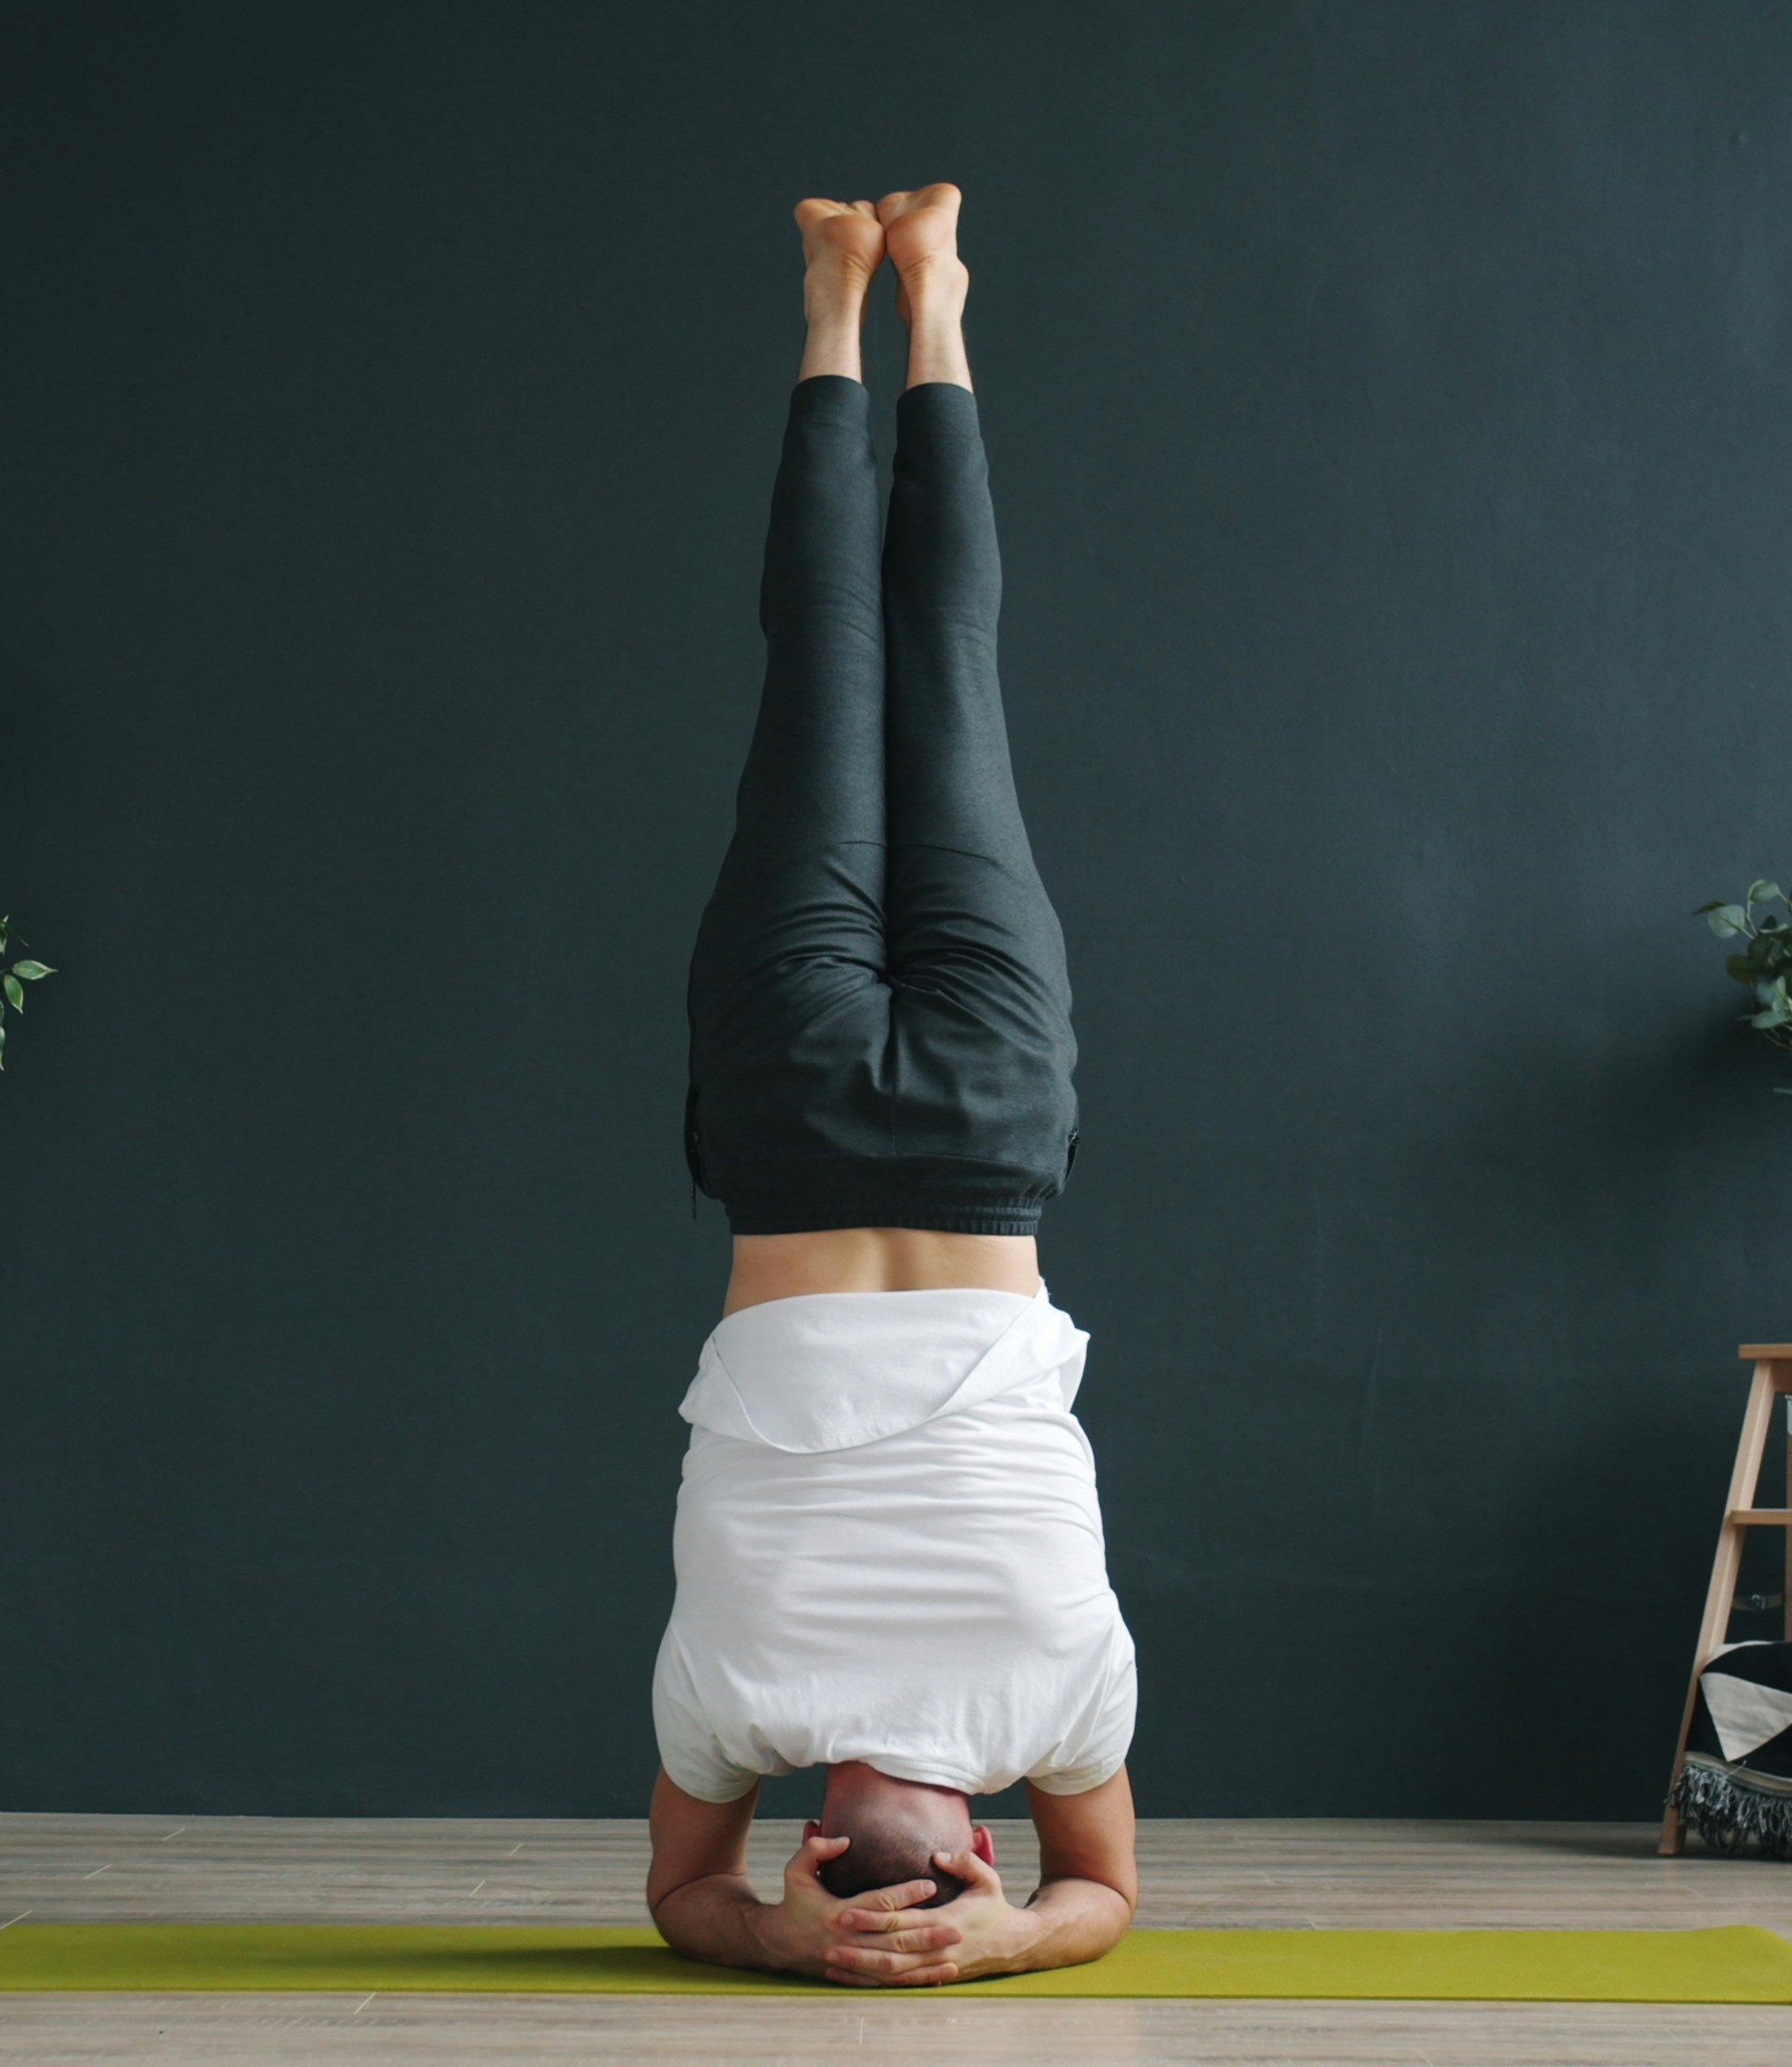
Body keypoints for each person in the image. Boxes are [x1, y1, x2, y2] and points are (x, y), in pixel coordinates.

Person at [643, 183, 1139, 1989]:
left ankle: (833, 301)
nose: (888, 1880)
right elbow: (1118, 1896)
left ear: (804, 1847)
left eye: (843, 1881)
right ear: (981, 1852)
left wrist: (781, 1947)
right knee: (947, 681)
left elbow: (673, 1898)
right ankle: (934, 303)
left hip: (784, 1127)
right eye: (930, 1890)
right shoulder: (1059, 1712)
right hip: (989, 1145)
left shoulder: (729, 1717)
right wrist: (1006, 1953)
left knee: (826, 676)